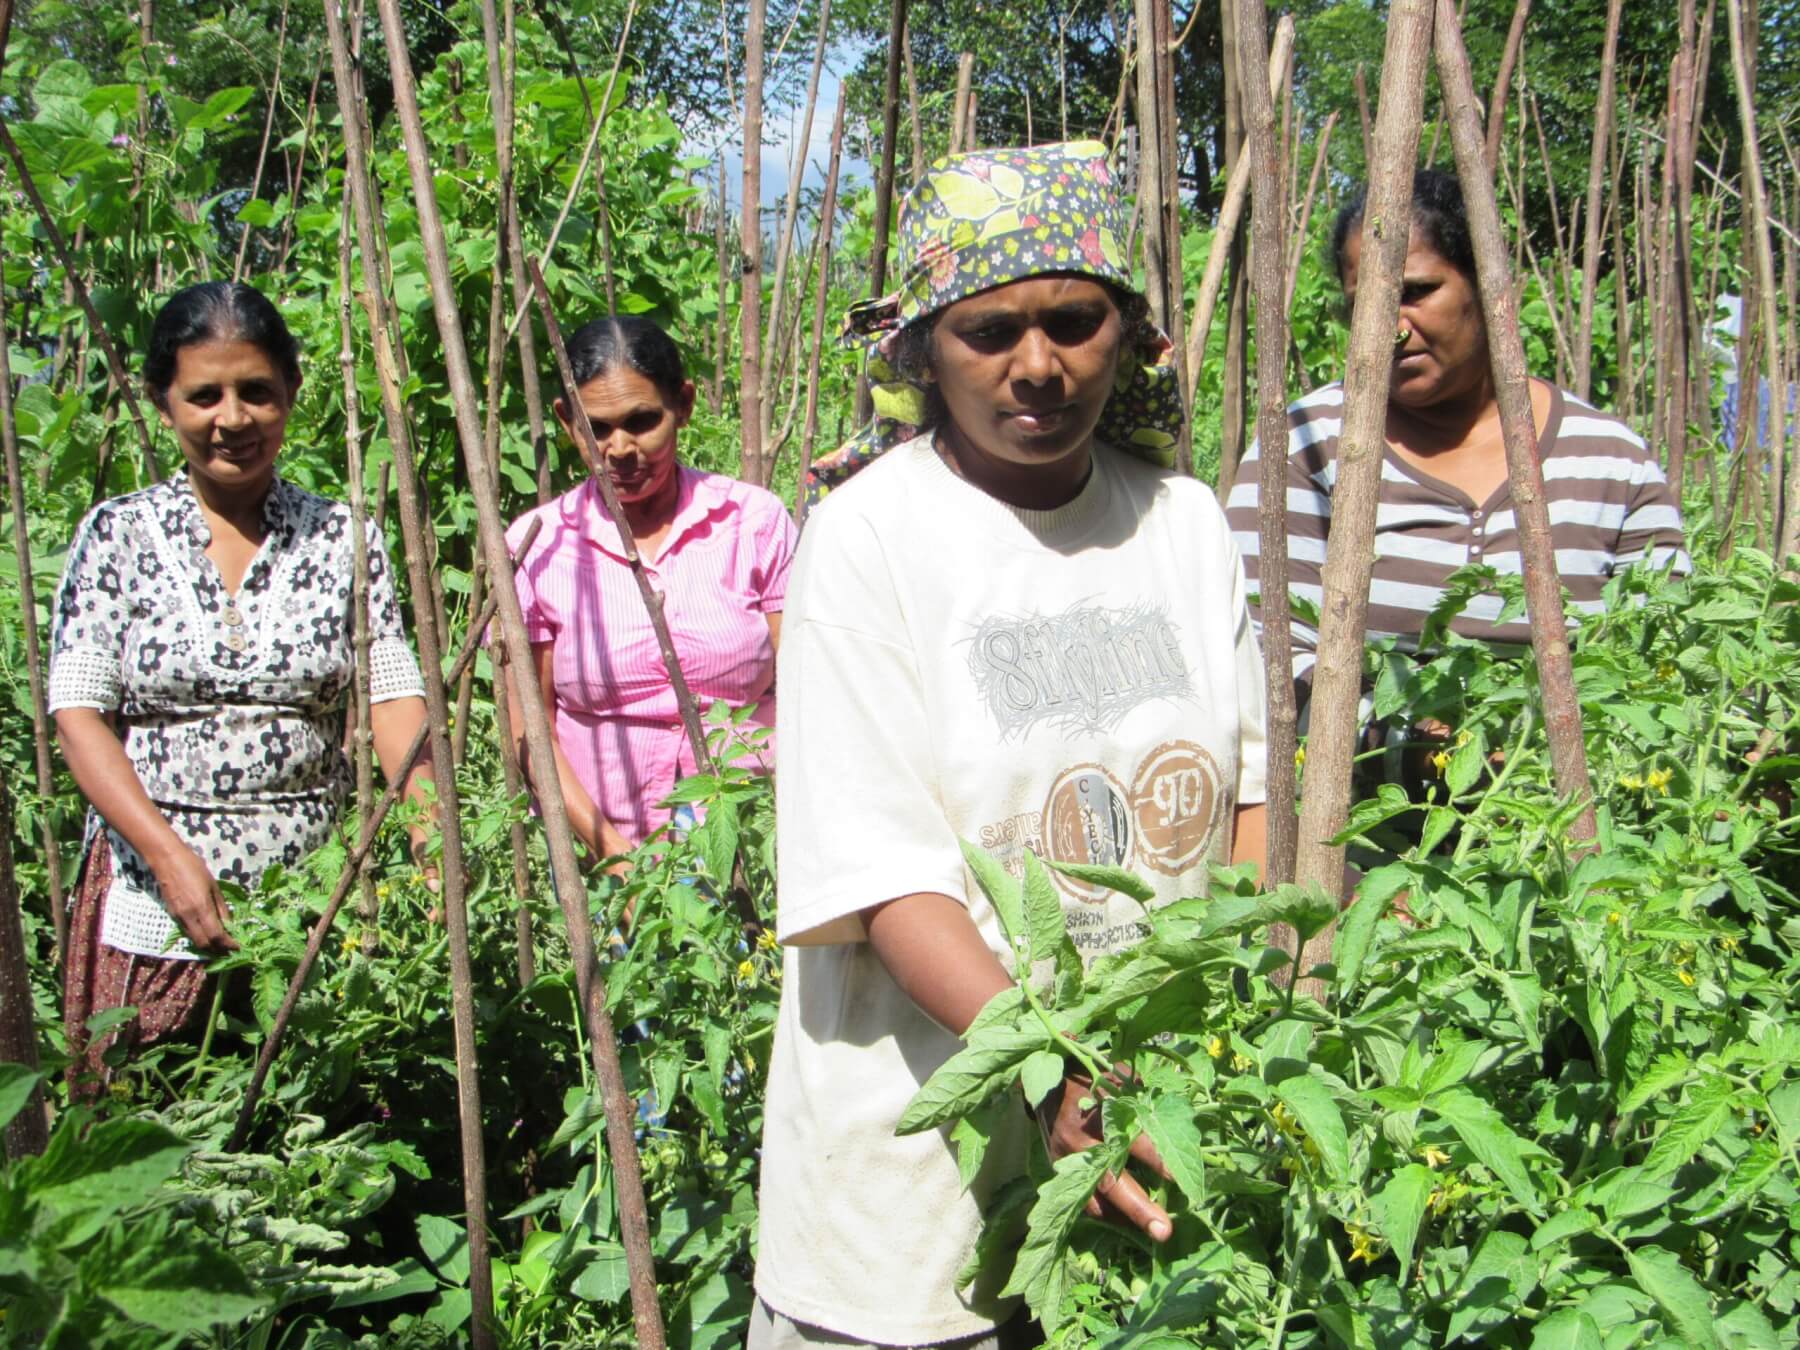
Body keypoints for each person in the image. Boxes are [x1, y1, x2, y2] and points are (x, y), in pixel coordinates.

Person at [754, 141, 1269, 1350]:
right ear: (924, 350)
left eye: (1074, 321)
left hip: (1156, 1145)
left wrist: (1277, 1010)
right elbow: (883, 878)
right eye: (989, 332)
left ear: (1129, 330)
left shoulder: (1183, 525)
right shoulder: (872, 538)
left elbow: (1248, 805)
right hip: (914, 1185)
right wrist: (1053, 1069)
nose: (1038, 366)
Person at [48, 281, 434, 1097]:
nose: (233, 418)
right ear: (164, 403)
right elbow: (80, 717)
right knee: (142, 1144)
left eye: (256, 391)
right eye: (204, 395)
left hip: (305, 907)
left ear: (291, 393)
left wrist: (429, 832)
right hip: (151, 905)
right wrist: (171, 861)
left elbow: (393, 695)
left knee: (301, 1157)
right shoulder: (117, 535)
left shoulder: (341, 537)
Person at [1226, 169, 1689, 721]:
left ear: (1490, 286)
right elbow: (1259, 656)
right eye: (1363, 305)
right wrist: (1411, 747)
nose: (1390, 327)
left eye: (1417, 292)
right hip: (1361, 794)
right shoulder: (1306, 446)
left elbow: (1663, 654)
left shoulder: (1612, 462)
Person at [503, 316, 796, 864]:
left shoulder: (753, 523)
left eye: (643, 422)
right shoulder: (537, 544)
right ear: (567, 422)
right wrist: (615, 859)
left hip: (751, 840)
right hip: (601, 850)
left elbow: (810, 686)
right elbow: (531, 724)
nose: (620, 449)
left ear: (682, 406)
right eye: (597, 428)